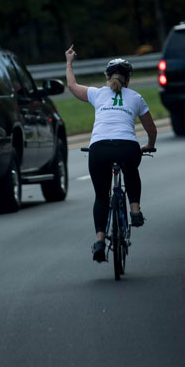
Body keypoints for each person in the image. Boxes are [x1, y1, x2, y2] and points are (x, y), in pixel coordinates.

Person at [65, 45, 157, 263]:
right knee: (131, 170)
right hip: (127, 147)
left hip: (99, 149)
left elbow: (72, 85)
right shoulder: (136, 97)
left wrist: (69, 62)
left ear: (107, 77)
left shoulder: (97, 94)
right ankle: (135, 210)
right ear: (128, 79)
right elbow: (151, 128)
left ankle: (99, 240)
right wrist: (149, 145)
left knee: (101, 196)